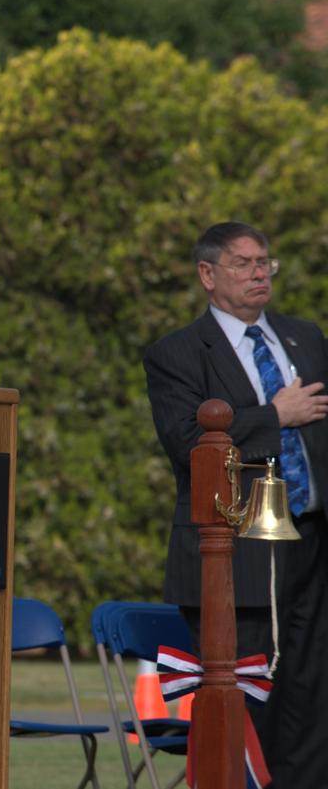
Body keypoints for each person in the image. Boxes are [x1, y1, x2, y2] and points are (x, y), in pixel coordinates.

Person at [144, 221, 328, 789]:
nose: (258, 273)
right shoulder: (176, 353)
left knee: (313, 694)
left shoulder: (306, 338)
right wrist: (275, 416)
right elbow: (186, 441)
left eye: (264, 262)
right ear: (207, 274)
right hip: (234, 551)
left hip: (313, 542)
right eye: (243, 263)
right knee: (253, 697)